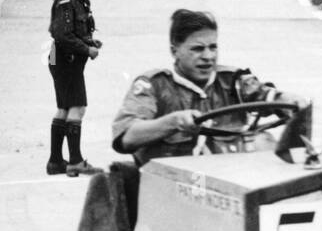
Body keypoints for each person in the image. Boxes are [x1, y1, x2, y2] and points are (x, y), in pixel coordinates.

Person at [112, 9, 309, 166]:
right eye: (197, 49)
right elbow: (127, 137)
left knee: (264, 143)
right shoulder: (153, 85)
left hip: (231, 181)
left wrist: (288, 101)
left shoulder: (233, 80)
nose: (208, 56)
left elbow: (266, 95)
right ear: (175, 51)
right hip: (174, 188)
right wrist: (173, 122)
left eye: (213, 47)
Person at [48, 0, 102, 176]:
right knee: (77, 108)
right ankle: (75, 161)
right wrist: (87, 49)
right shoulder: (66, 0)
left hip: (60, 59)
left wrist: (89, 40)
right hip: (66, 59)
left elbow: (71, 32)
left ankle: (55, 162)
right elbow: (63, 36)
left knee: (64, 108)